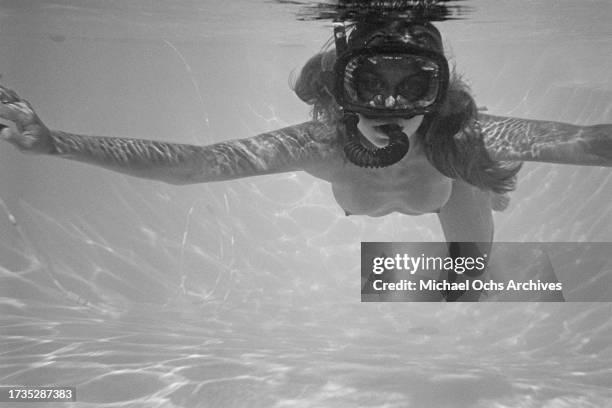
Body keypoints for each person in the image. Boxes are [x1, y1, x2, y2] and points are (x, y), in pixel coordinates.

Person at [0, 18, 610, 301]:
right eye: (370, 82)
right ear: (340, 88)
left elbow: (587, 141)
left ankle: (485, 185)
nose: (390, 104)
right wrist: (58, 143)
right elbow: (194, 164)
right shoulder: (316, 144)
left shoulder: (466, 131)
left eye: (414, 86)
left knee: (468, 280)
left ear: (440, 90)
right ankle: (487, 185)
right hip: (395, 191)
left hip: (449, 182)